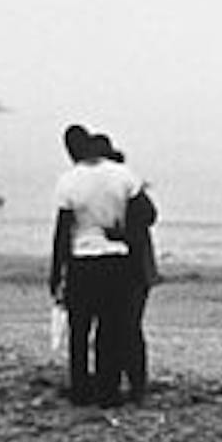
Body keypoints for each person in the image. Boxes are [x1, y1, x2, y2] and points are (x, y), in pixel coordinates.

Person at [50, 125, 152, 406]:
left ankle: (81, 389)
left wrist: (56, 271)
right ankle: (108, 390)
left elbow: (62, 231)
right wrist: (125, 235)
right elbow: (145, 213)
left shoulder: (69, 180)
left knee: (79, 328)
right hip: (117, 258)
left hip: (82, 259)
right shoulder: (123, 175)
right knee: (110, 327)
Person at [92, 133, 158, 404]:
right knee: (118, 328)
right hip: (122, 268)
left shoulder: (123, 185)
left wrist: (119, 233)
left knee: (123, 328)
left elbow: (148, 216)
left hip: (132, 269)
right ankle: (120, 384)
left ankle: (130, 385)